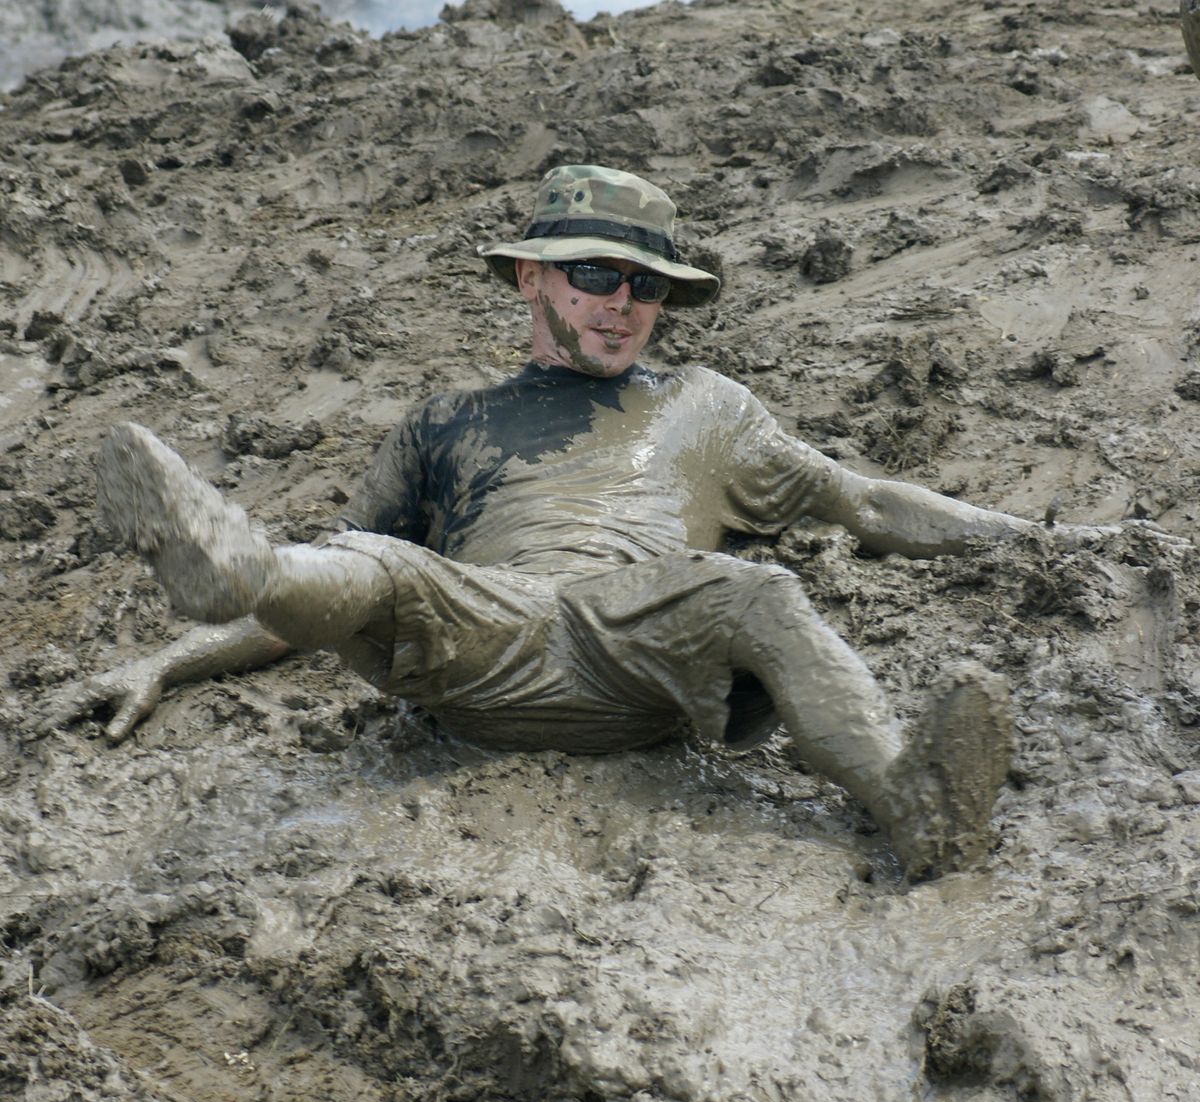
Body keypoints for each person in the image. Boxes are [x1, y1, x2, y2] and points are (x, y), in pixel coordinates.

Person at [69, 164, 1050, 879]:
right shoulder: (444, 419)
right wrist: (171, 658)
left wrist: (1038, 542)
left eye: (647, 284)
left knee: (760, 589)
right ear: (532, 277)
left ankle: (910, 806)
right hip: (483, 632)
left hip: (642, 632)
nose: (622, 303)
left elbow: (867, 500)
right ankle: (225, 559)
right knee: (376, 561)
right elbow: (339, 586)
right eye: (595, 273)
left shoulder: (708, 405)